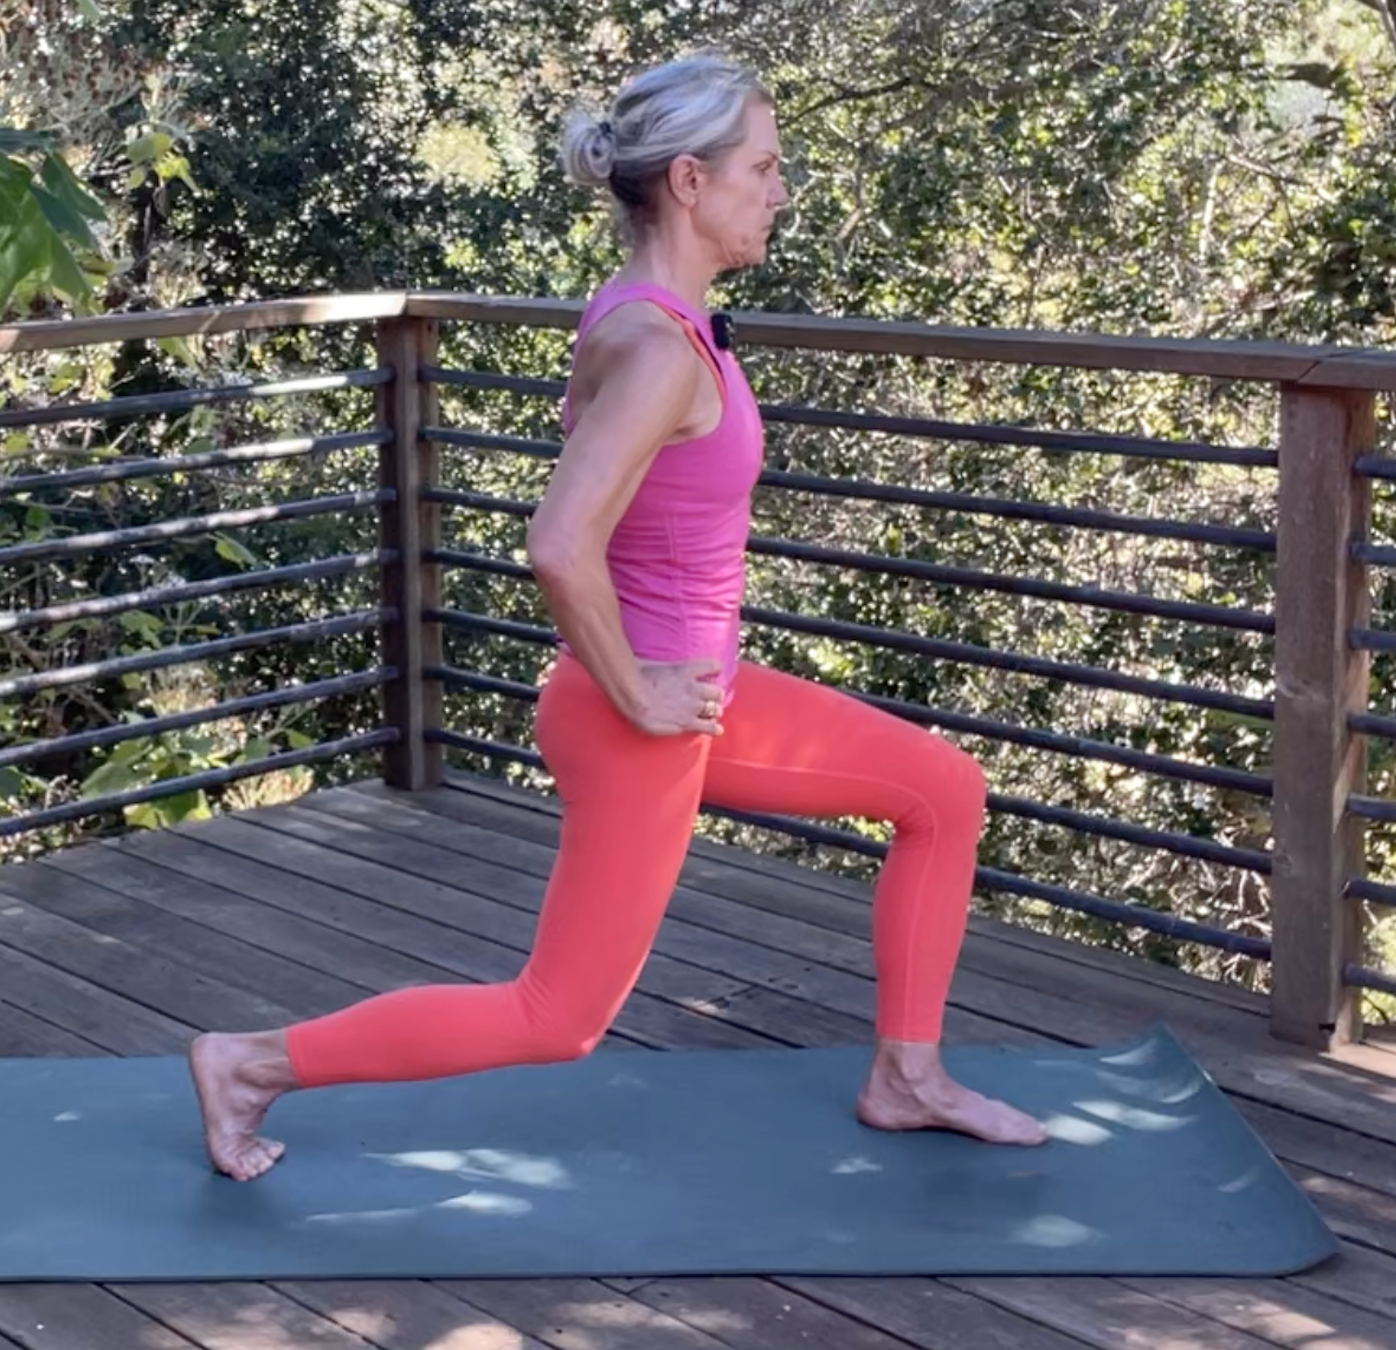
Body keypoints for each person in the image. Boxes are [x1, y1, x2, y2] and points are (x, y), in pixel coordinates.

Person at [187, 51, 1050, 1181]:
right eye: (765, 167)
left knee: (942, 790)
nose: (781, 191)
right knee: (558, 1016)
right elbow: (557, 542)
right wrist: (641, 690)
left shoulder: (660, 317)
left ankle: (907, 1076)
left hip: (697, 695)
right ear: (689, 182)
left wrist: (664, 685)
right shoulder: (653, 346)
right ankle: (251, 1063)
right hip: (638, 709)